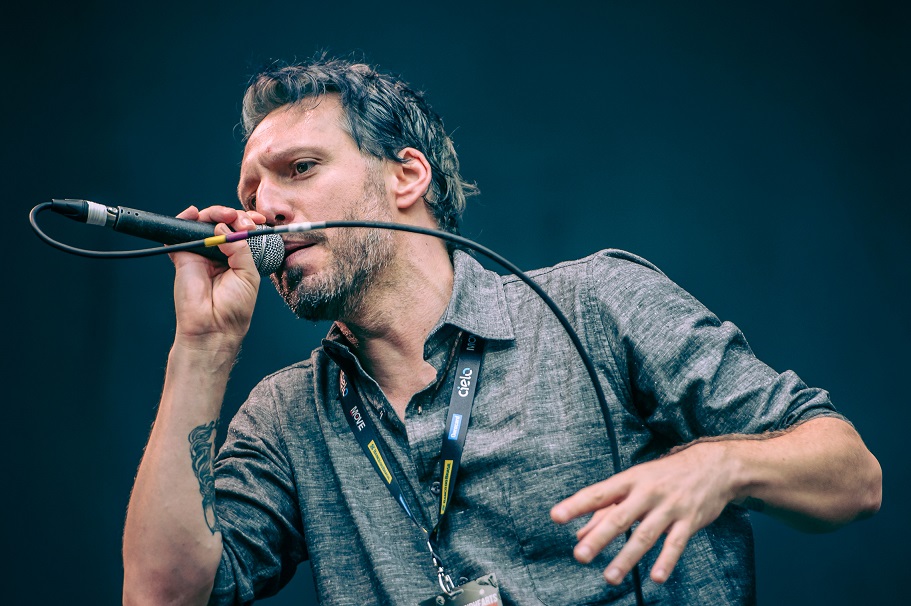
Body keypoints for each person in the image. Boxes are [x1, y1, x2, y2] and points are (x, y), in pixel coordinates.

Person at [121, 57, 882, 606]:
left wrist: (718, 466)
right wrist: (202, 348)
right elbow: (161, 597)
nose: (264, 209)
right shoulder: (285, 415)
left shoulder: (596, 304)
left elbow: (852, 477)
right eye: (251, 189)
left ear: (407, 176)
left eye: (299, 168)